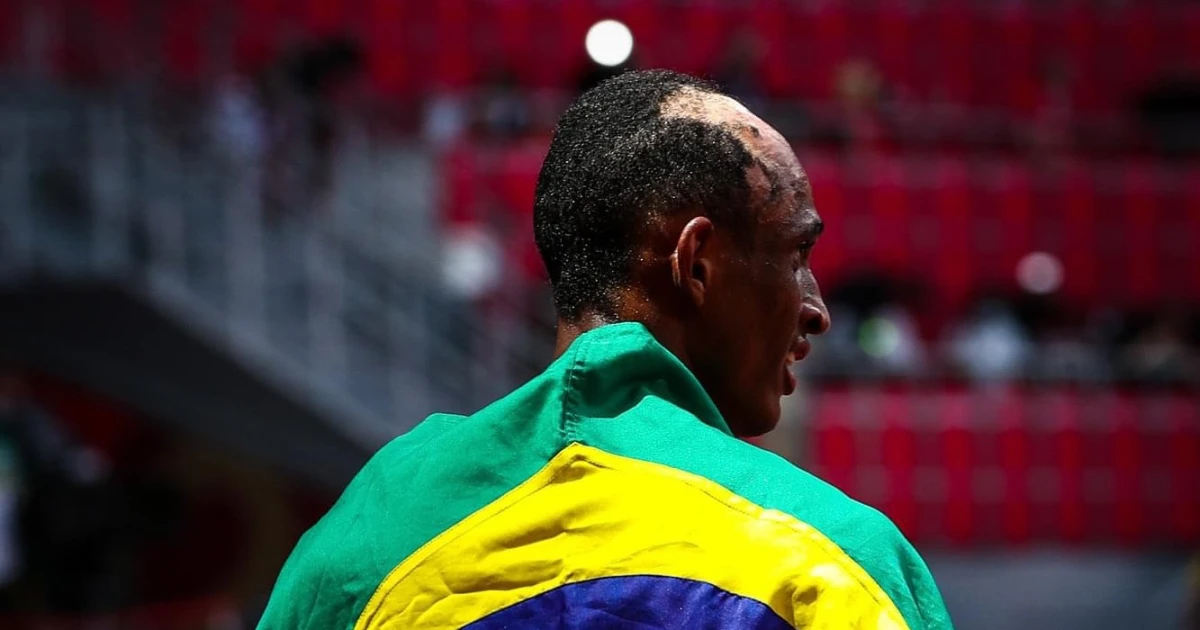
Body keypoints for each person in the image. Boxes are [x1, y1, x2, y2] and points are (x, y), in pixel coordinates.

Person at [258, 70, 952, 629]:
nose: (817, 310)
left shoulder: (363, 544)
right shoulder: (831, 564)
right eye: (796, 255)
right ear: (696, 263)